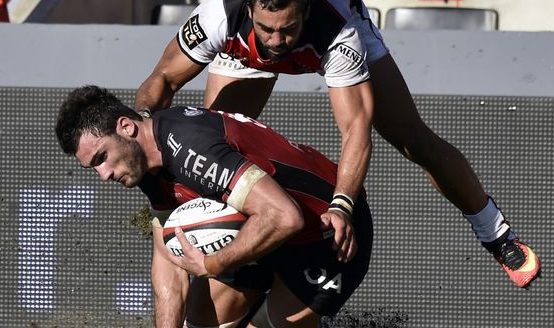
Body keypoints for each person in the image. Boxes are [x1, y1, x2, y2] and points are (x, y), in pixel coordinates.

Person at [134, 0, 540, 288]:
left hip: (327, 31)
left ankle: (496, 234)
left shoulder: (336, 29)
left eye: (287, 29)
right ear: (251, 13)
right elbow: (162, 81)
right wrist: (143, 142)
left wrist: (342, 205)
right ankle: (240, 267)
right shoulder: (219, 15)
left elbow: (355, 129)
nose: (276, 43)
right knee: (211, 163)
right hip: (242, 50)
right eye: (267, 28)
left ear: (305, 13)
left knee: (412, 138)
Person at [56, 85, 373, 327]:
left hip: (324, 236)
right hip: (256, 228)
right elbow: (167, 257)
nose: (103, 175)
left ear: (126, 127)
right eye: (93, 167)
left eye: (101, 158)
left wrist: (214, 265)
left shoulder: (192, 151)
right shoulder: (145, 162)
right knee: (198, 320)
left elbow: (284, 216)